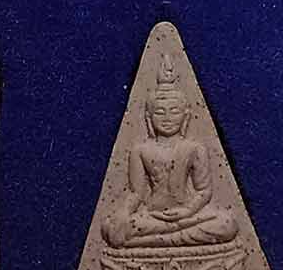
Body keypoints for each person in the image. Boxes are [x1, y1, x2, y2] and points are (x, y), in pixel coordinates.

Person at [102, 55, 238, 248]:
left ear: (185, 116)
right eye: (160, 112)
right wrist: (124, 212)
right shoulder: (140, 150)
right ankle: (166, 241)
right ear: (149, 117)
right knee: (113, 228)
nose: (167, 118)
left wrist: (188, 211)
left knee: (226, 224)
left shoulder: (194, 148)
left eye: (174, 111)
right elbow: (136, 193)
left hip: (188, 216)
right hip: (152, 216)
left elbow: (204, 190)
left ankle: (153, 242)